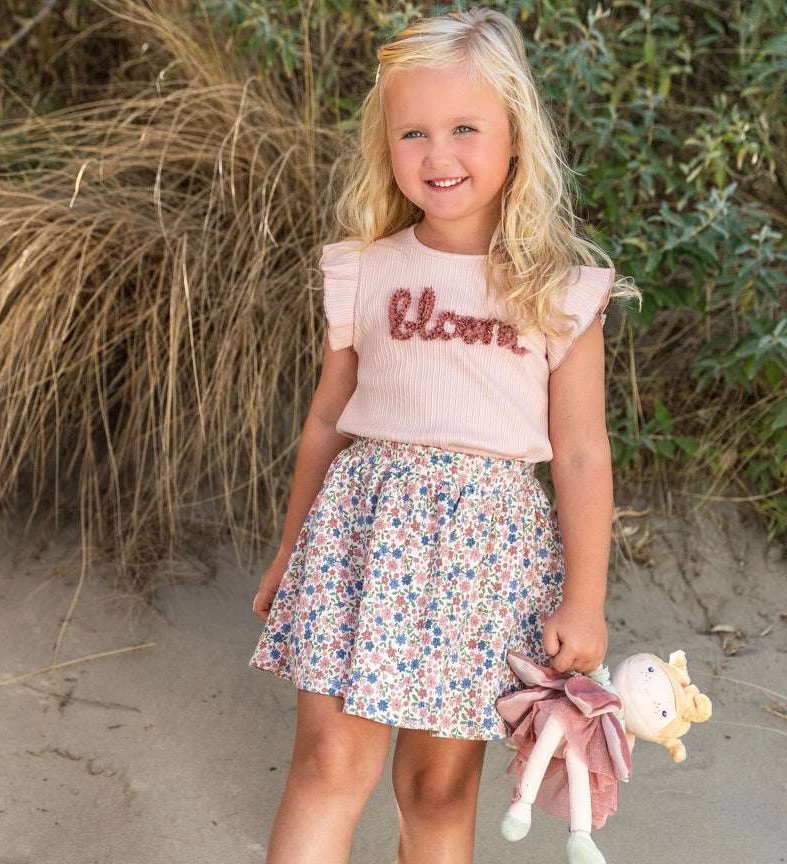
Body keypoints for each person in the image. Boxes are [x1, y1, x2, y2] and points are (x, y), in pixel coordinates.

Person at [250, 8, 635, 863]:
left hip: (486, 556)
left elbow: (579, 453)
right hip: (360, 536)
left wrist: (585, 598)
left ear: (515, 137)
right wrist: (288, 553)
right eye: (412, 132)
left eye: (465, 128)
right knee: (326, 764)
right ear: (386, 145)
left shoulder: (560, 292)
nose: (438, 155)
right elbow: (325, 419)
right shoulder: (368, 270)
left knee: (437, 787)